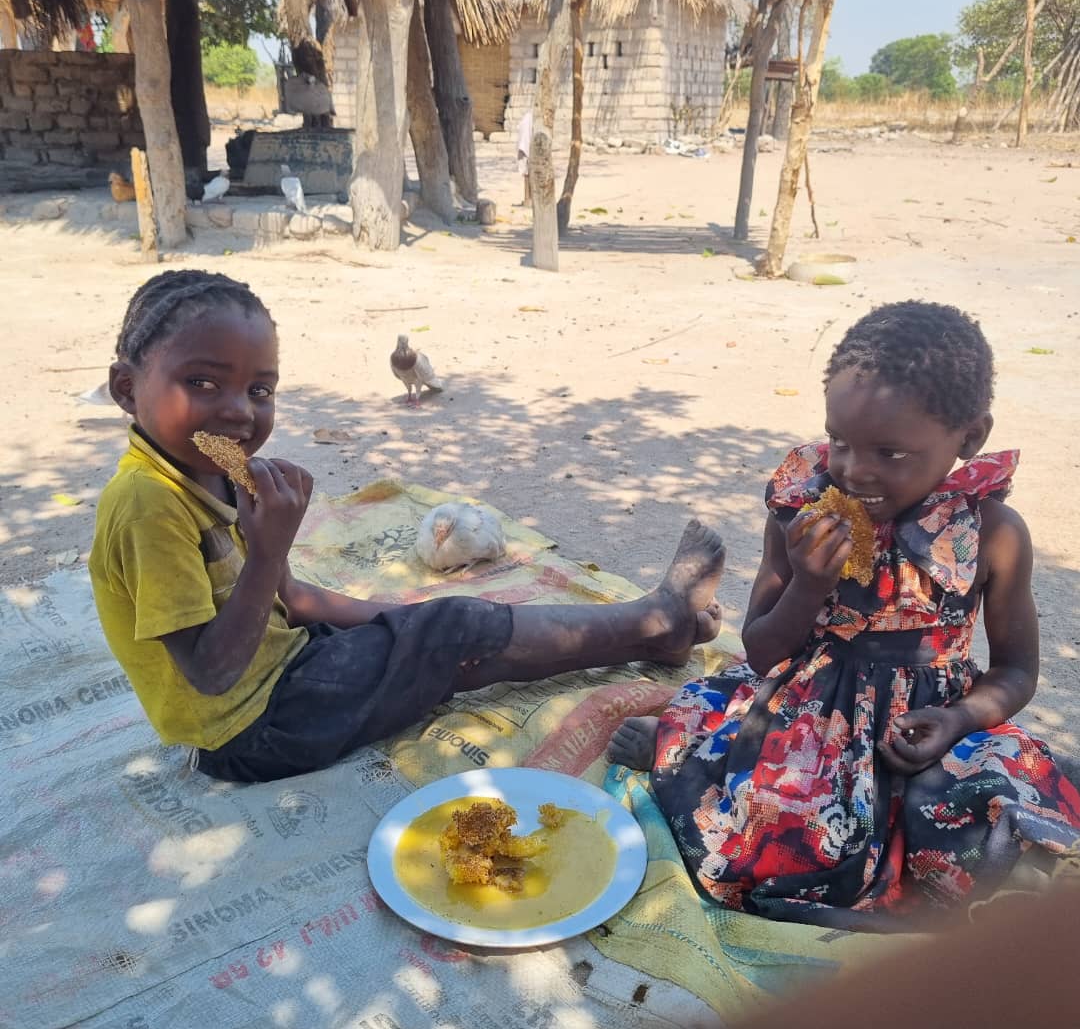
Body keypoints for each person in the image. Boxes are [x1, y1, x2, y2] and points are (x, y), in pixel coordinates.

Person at [89, 269, 726, 783]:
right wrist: (266, 555)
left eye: (260, 390)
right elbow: (210, 672)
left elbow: (294, 598)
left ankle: (651, 635)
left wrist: (398, 619)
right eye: (201, 382)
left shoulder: (216, 468)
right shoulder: (148, 503)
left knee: (444, 635)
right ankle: (656, 622)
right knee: (453, 633)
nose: (237, 412)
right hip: (252, 731)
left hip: (287, 670)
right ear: (126, 388)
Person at [608, 301, 1080, 929]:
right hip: (807, 711)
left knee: (986, 814)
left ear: (969, 437)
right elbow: (761, 651)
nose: (855, 471)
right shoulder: (801, 513)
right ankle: (686, 752)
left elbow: (1018, 671)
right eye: (840, 441)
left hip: (927, 721)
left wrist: (960, 717)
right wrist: (809, 585)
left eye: (890, 452)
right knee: (771, 825)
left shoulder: (992, 535)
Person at [516, 109, 533, 207]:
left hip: (529, 147)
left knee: (529, 174)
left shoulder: (529, 117)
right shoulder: (528, 117)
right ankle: (528, 199)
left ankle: (529, 199)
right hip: (527, 147)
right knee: (527, 174)